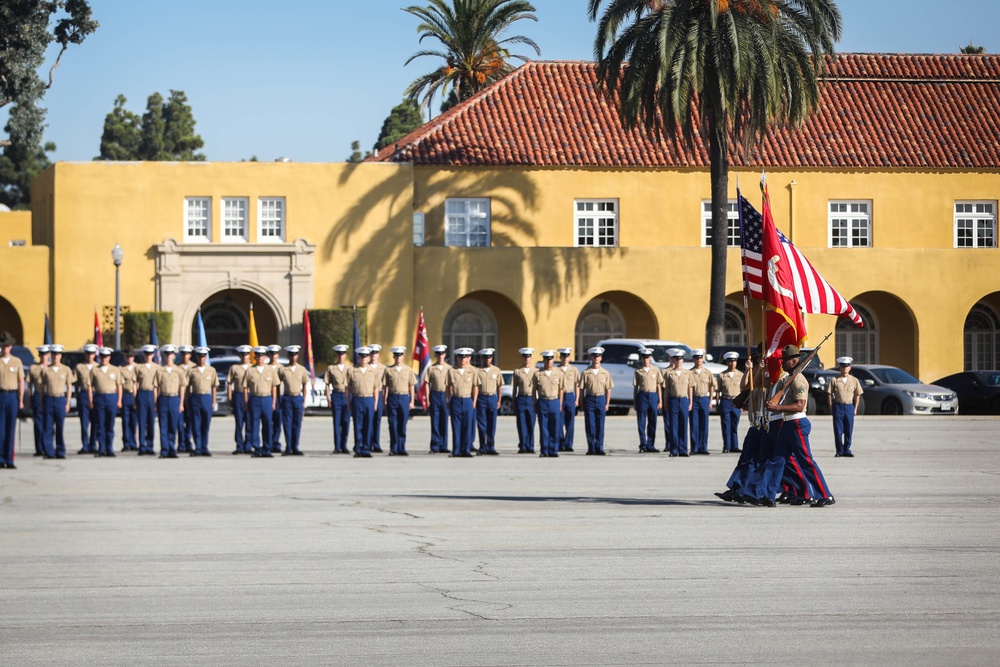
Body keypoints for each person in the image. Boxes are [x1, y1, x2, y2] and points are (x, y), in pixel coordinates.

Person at [763, 345, 835, 508]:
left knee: (805, 461)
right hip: (787, 424)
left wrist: (777, 408)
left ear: (795, 361)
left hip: (796, 423)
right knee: (777, 459)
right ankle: (768, 495)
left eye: (785, 361)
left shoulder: (798, 379)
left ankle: (825, 494)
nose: (782, 363)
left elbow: (800, 405)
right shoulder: (788, 379)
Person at [245, 345, 280, 458]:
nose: (260, 358)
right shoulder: (250, 370)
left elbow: (274, 387)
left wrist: (274, 402)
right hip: (255, 398)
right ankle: (256, 448)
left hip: (267, 399)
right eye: (258, 356)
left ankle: (267, 448)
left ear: (265, 357)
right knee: (254, 425)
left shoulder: (270, 370)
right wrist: (246, 402)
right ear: (254, 357)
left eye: (262, 356)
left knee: (267, 425)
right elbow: (245, 387)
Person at [578, 346, 613, 455]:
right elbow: (581, 389)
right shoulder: (585, 373)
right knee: (590, 425)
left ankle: (599, 447)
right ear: (591, 357)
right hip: (590, 399)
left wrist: (607, 403)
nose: (596, 358)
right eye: (594, 356)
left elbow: (608, 390)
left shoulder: (605, 373)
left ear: (601, 358)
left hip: (601, 398)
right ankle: (591, 447)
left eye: (598, 356)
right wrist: (581, 403)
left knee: (600, 425)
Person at [446, 347, 480, 457]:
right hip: (456, 399)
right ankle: (456, 450)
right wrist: (448, 399)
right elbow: (448, 387)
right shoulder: (451, 371)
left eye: (465, 357)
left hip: (467, 400)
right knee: (456, 426)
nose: (463, 360)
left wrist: (474, 401)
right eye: (461, 358)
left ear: (468, 358)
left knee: (467, 426)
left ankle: (465, 450)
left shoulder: (472, 371)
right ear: (457, 358)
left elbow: (475, 387)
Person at [89, 347, 122, 457]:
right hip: (99, 397)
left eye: (106, 357)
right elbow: (90, 386)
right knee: (100, 424)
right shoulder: (94, 370)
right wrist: (91, 400)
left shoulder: (115, 370)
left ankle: (110, 448)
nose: (104, 359)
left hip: (111, 397)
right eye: (102, 357)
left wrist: (119, 400)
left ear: (109, 358)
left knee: (110, 425)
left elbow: (119, 386)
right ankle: (101, 448)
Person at [40, 344, 72, 459]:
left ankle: (60, 451)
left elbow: (69, 387)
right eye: (53, 355)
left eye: (57, 355)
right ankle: (48, 451)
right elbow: (42, 387)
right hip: (49, 398)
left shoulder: (66, 369)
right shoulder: (46, 370)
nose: (55, 357)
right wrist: (41, 401)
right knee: (48, 427)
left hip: (60, 399)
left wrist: (67, 403)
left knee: (60, 427)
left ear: (61, 356)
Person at [383, 346, 416, 456]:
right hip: (392, 397)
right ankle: (394, 448)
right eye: (396, 355)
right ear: (393, 356)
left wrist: (412, 401)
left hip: (404, 398)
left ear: (403, 356)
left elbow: (411, 386)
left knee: (402, 424)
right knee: (392, 424)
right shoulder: (388, 370)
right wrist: (385, 399)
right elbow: (385, 386)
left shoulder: (408, 370)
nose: (398, 357)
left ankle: (402, 448)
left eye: (400, 355)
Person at [828, 356, 863, 457]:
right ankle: (839, 450)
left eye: (847, 366)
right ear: (840, 368)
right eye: (843, 366)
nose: (845, 368)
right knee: (838, 430)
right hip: (838, 405)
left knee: (849, 429)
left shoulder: (854, 380)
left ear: (850, 368)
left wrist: (855, 408)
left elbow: (857, 395)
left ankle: (847, 449)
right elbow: (829, 394)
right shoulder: (834, 380)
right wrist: (831, 407)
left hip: (849, 406)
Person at [154, 345, 184, 459]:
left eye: (170, 354)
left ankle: (172, 449)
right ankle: (164, 450)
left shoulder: (178, 371)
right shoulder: (159, 370)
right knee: (163, 426)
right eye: (166, 354)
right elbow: (156, 388)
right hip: (163, 398)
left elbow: (182, 387)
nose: (168, 356)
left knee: (173, 425)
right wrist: (156, 402)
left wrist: (181, 403)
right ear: (163, 356)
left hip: (174, 398)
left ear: (174, 356)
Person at [187, 346, 218, 456]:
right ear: (196, 357)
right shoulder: (192, 370)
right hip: (195, 397)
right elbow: (187, 386)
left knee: (205, 424)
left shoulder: (211, 370)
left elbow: (214, 386)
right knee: (196, 423)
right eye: (199, 356)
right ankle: (198, 447)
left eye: (203, 356)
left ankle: (204, 447)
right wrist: (187, 400)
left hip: (206, 397)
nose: (201, 358)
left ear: (206, 357)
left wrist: (214, 401)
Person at [346, 346, 377, 458]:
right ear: (358, 357)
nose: (363, 358)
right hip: (357, 398)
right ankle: (358, 448)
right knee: (358, 425)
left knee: (368, 426)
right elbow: (347, 388)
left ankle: (366, 449)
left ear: (369, 358)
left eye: (365, 356)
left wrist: (375, 403)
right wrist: (349, 402)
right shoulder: (352, 371)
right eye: (361, 356)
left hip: (369, 399)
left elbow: (376, 388)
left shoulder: (373, 371)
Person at [0, 331, 25, 469]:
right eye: (3, 346)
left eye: (7, 346)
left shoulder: (17, 361)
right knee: (1, 429)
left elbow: (21, 381)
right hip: (1, 395)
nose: (5, 348)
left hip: (12, 396)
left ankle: (9, 458)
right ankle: (0, 458)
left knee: (10, 428)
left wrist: (21, 399)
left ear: (11, 347)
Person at [661, 349, 692, 457]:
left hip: (684, 400)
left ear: (683, 360)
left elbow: (690, 388)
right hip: (673, 400)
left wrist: (690, 402)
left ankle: (683, 449)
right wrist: (665, 403)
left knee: (683, 425)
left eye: (680, 359)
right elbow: (666, 389)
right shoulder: (669, 374)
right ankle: (673, 450)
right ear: (673, 360)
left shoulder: (687, 373)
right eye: (676, 359)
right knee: (673, 426)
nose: (679, 361)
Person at [279, 345, 309, 456]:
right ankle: (288, 447)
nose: (293, 357)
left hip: (297, 397)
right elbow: (278, 385)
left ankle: (295, 446)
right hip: (287, 397)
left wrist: (304, 401)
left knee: (297, 423)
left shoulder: (302, 369)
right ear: (288, 356)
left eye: (295, 355)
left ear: (298, 355)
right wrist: (278, 399)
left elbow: (305, 385)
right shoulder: (283, 369)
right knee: (287, 423)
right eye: (291, 355)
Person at [533, 350, 564, 457]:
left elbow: (561, 389)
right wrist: (534, 404)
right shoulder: (538, 374)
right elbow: (534, 390)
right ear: (544, 360)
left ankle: (553, 450)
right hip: (542, 400)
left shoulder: (558, 373)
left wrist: (560, 403)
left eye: (551, 359)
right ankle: (544, 450)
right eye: (547, 359)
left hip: (554, 400)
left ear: (553, 360)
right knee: (543, 427)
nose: (549, 361)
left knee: (555, 427)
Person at [633, 347, 662, 452]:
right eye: (644, 358)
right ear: (641, 358)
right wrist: (635, 402)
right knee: (641, 422)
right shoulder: (638, 371)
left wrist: (660, 401)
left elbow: (659, 385)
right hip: (642, 396)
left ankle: (651, 444)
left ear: (650, 358)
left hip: (653, 395)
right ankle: (643, 444)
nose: (646, 360)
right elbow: (636, 388)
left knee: (653, 421)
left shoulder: (656, 370)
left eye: (648, 357)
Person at [475, 348, 503, 455]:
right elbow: (475, 386)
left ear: (492, 358)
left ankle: (491, 446)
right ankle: (482, 446)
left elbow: (499, 386)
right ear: (482, 358)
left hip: (492, 397)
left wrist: (499, 400)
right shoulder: (477, 371)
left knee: (492, 424)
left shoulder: (496, 370)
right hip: (481, 398)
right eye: (485, 358)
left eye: (490, 358)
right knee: (482, 424)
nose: (487, 360)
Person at [324, 344, 351, 454]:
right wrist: (328, 398)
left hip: (347, 395)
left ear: (345, 355)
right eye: (339, 354)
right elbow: (326, 384)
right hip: (336, 395)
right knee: (336, 422)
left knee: (346, 422)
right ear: (336, 355)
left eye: (343, 354)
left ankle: (344, 445)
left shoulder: (350, 368)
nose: (341, 356)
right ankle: (337, 446)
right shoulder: (331, 368)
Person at [688, 349, 715, 455]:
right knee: (694, 424)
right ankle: (694, 448)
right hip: (694, 399)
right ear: (693, 359)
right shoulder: (690, 373)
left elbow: (712, 386)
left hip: (704, 398)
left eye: (700, 358)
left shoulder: (707, 372)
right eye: (696, 358)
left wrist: (711, 400)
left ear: (703, 359)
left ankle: (703, 448)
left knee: (704, 424)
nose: (699, 360)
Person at [716, 351, 744, 453]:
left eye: (734, 361)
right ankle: (726, 446)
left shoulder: (740, 375)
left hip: (736, 401)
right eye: (730, 361)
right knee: (726, 424)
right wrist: (718, 403)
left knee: (734, 425)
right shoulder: (722, 375)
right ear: (727, 362)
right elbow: (718, 390)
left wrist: (742, 404)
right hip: (726, 400)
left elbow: (743, 390)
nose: (732, 363)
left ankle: (734, 446)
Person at [135, 344, 160, 456]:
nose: (148, 356)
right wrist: (135, 398)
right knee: (141, 421)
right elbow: (135, 384)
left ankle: (150, 445)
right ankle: (142, 445)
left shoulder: (157, 368)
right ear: (143, 355)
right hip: (142, 393)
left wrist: (157, 400)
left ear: (153, 355)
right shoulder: (139, 368)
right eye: (146, 354)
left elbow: (158, 385)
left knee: (151, 421)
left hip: (152, 393)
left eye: (150, 354)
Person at [227, 345, 252, 454]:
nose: (244, 357)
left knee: (250, 421)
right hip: (238, 395)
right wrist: (230, 397)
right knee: (239, 422)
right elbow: (229, 383)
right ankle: (239, 445)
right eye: (242, 354)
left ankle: (248, 445)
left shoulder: (253, 368)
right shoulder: (234, 368)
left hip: (251, 395)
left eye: (246, 354)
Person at [425, 345, 451, 453]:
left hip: (445, 395)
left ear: (445, 355)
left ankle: (443, 446)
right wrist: (427, 399)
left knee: (444, 421)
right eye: (438, 354)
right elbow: (427, 384)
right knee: (435, 421)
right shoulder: (431, 368)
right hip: (435, 394)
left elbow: (451, 385)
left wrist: (450, 397)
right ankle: (435, 446)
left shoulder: (449, 368)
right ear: (435, 355)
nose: (440, 356)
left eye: (442, 354)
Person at [74, 343, 98, 454]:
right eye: (88, 353)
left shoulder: (98, 366)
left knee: (95, 421)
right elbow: (76, 383)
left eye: (92, 353)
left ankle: (93, 444)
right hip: (83, 395)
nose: (90, 356)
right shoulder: (79, 367)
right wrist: (78, 395)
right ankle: (85, 444)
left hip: (95, 394)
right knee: (84, 422)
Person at [511, 347, 536, 454]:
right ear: (521, 358)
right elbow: (514, 388)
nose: (527, 359)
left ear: (531, 358)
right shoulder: (517, 372)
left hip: (531, 398)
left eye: (529, 357)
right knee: (521, 424)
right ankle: (523, 445)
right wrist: (513, 400)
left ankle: (530, 446)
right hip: (521, 398)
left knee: (531, 423)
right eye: (525, 357)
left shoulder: (536, 371)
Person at [29, 344, 50, 457]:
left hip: (48, 395)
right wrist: (30, 398)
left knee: (48, 423)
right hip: (37, 395)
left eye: (45, 354)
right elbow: (30, 385)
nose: (43, 357)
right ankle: (39, 448)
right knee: (38, 423)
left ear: (48, 355)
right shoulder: (34, 368)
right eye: (41, 354)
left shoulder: (51, 368)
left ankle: (48, 447)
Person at [557, 348, 578, 452]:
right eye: (563, 356)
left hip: (570, 395)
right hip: (559, 397)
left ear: (569, 358)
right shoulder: (556, 370)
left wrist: (577, 399)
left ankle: (568, 444)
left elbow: (577, 385)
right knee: (559, 421)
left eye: (567, 356)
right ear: (560, 357)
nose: (565, 358)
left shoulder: (573, 370)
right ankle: (560, 444)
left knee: (570, 422)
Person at [118, 349, 138, 452]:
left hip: (135, 394)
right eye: (128, 356)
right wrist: (119, 400)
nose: (129, 358)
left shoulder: (137, 367)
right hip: (125, 394)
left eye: (131, 356)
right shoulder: (121, 369)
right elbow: (119, 385)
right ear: (125, 357)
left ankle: (133, 442)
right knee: (125, 420)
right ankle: (126, 442)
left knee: (134, 420)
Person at [177, 345, 195, 453]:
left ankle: (188, 442)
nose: (185, 356)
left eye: (187, 354)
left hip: (191, 397)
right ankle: (181, 443)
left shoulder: (194, 367)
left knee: (190, 422)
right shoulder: (176, 368)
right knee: (179, 422)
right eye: (183, 354)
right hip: (179, 397)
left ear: (190, 355)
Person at [368, 344, 386, 453]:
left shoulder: (383, 368)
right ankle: (367, 443)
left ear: (378, 355)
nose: (373, 355)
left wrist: (385, 399)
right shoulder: (366, 367)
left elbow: (385, 385)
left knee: (377, 421)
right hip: (368, 394)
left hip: (379, 394)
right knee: (368, 420)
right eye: (372, 353)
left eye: (375, 353)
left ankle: (376, 443)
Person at [267, 344, 284, 453]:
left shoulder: (282, 368)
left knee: (278, 422)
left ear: (278, 355)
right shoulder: (265, 368)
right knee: (268, 422)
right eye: (271, 354)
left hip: (280, 397)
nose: (274, 356)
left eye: (275, 354)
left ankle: (276, 442)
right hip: (268, 396)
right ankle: (268, 442)